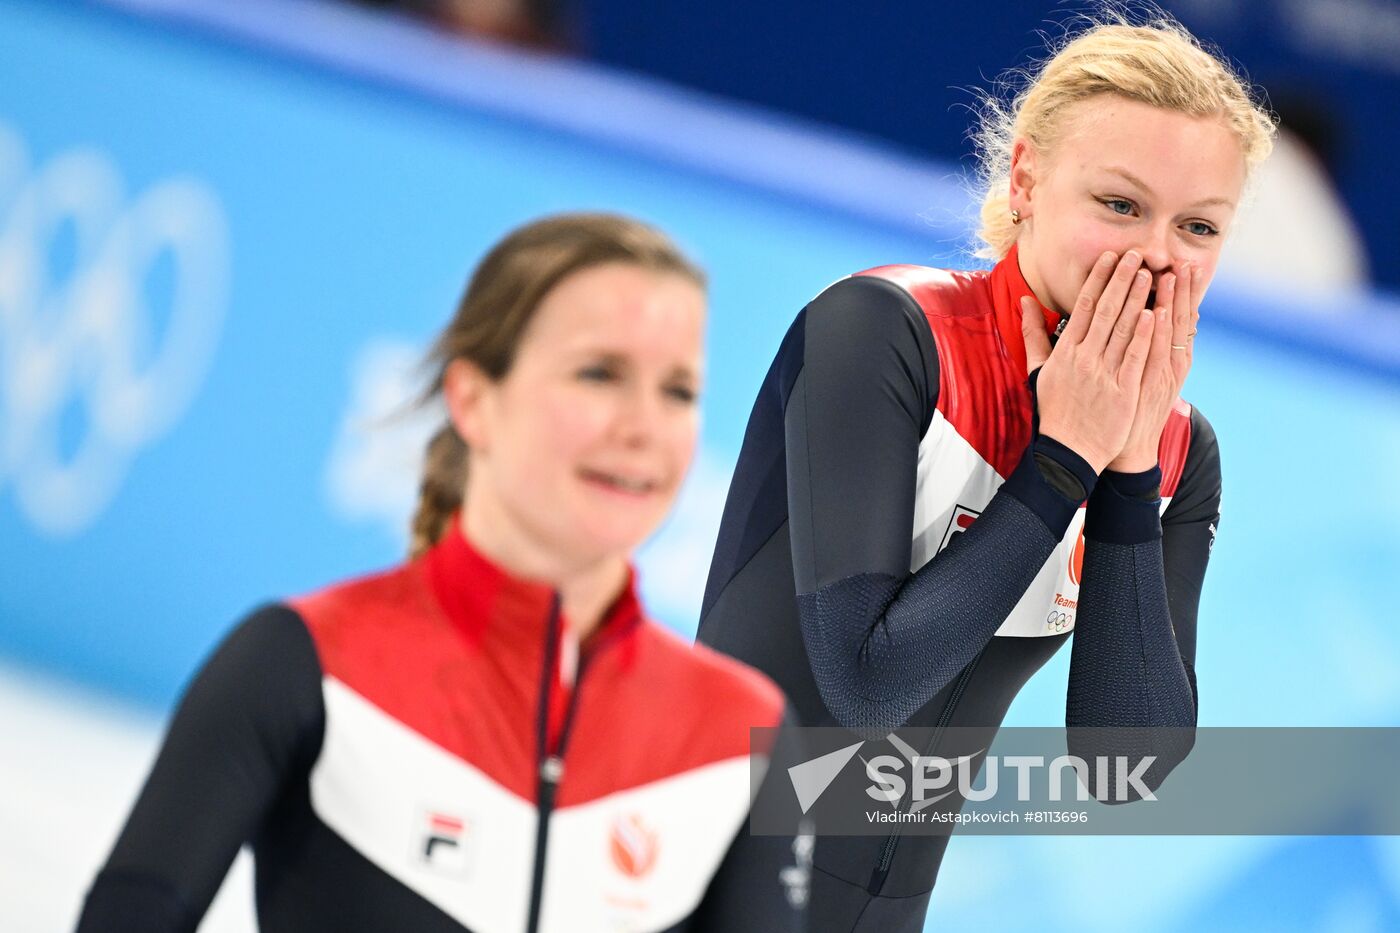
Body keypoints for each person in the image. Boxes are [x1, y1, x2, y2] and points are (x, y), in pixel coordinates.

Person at [697, 14, 1275, 932]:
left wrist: (1126, 472)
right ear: (1026, 180)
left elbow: (1126, 767)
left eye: (1197, 226)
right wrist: (1062, 461)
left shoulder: (1176, 454)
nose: (1158, 256)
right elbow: (867, 684)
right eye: (1120, 205)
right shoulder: (884, 331)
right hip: (691, 883)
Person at [78, 213, 806, 932]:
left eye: (678, 390)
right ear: (472, 400)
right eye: (599, 374)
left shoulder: (749, 736)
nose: (643, 427)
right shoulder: (301, 663)